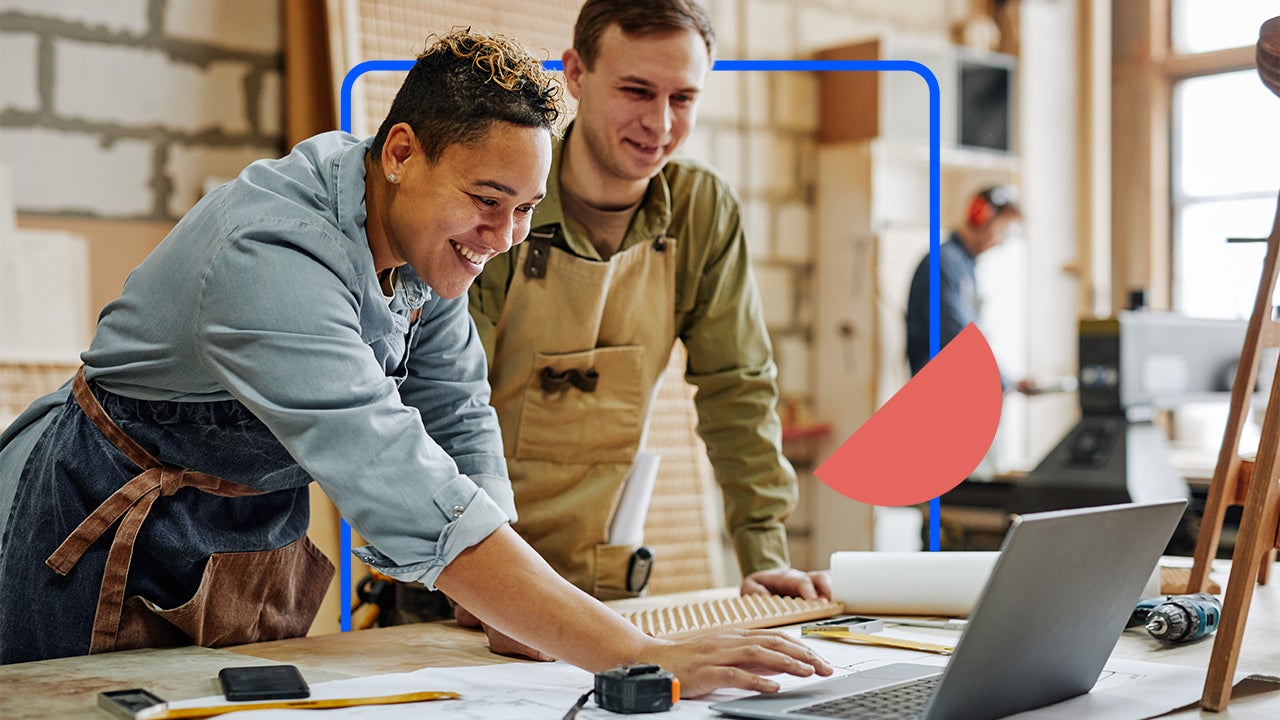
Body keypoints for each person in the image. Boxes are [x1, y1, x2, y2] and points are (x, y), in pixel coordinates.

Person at [0, 29, 831, 696]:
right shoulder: (272, 255)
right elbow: (395, 474)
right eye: (487, 201)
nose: (503, 238)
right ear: (401, 151)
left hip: (242, 540)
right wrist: (640, 655)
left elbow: (458, 406)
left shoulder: (420, 241)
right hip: (105, 532)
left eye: (525, 209)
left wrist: (503, 603)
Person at [452, 0, 828, 655]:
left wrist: (765, 556)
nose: (660, 123)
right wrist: (478, 574)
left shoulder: (701, 210)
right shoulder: (501, 196)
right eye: (636, 91)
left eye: (683, 98)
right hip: (462, 588)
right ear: (575, 73)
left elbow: (737, 390)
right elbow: (448, 402)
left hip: (605, 590)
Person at [905, 184, 1036, 393]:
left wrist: (1007, 381)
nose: (1001, 241)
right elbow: (958, 338)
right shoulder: (942, 264)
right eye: (1003, 230)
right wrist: (1004, 381)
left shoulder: (963, 267)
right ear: (980, 217)